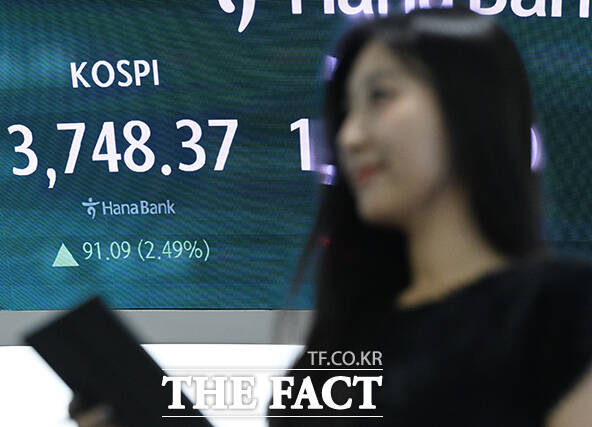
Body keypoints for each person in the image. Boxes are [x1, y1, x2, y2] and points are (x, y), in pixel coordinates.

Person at [70, 6, 592, 426]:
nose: (350, 137)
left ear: (470, 105)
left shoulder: (561, 309)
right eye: (346, 113)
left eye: (381, 97)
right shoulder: (345, 335)